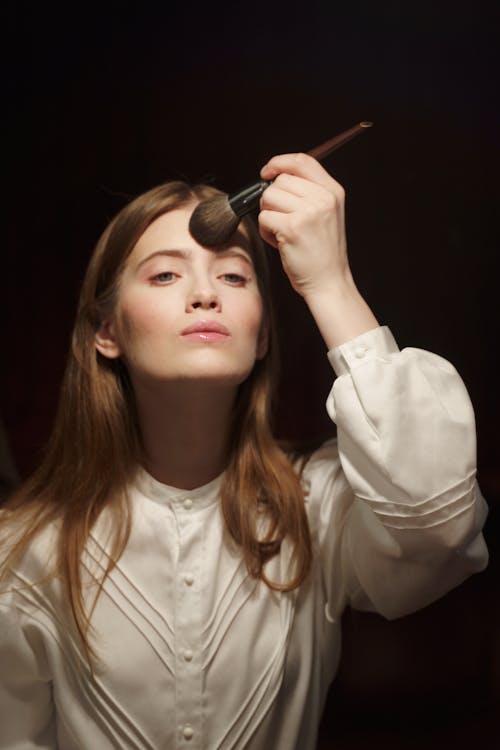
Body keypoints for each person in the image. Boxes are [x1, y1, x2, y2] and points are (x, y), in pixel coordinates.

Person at [0, 153, 488, 750]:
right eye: (164, 276)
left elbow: (439, 527)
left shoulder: (318, 508)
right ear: (107, 331)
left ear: (261, 336)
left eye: (233, 276)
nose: (205, 294)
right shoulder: (22, 551)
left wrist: (330, 283)